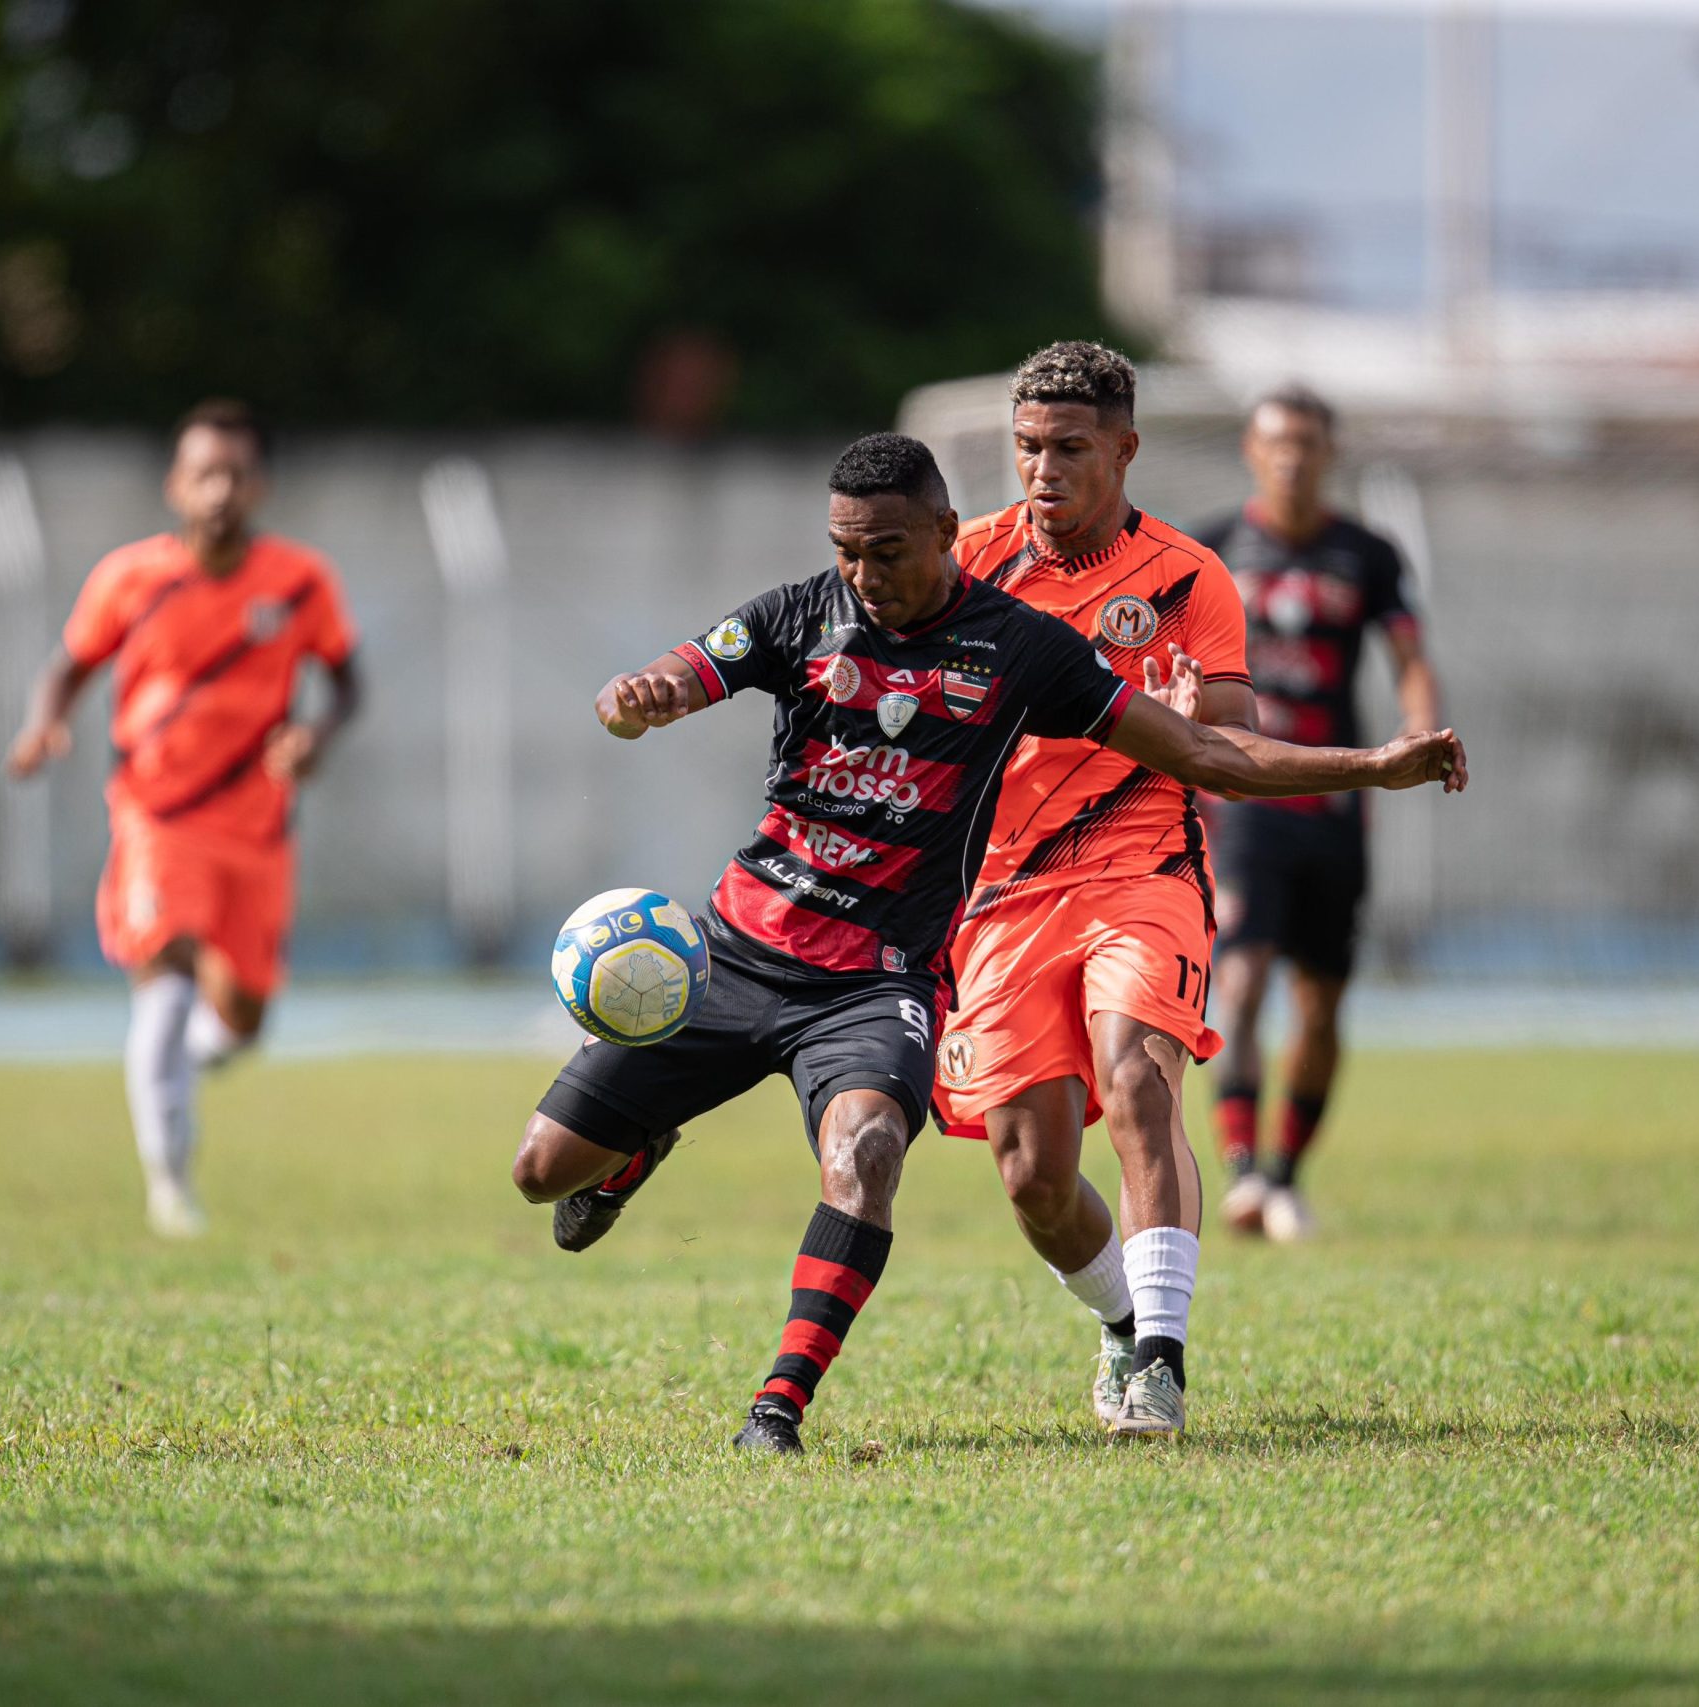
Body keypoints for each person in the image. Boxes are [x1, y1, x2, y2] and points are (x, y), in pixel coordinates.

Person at [510, 432, 1466, 1456]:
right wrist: (641, 695)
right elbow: (693, 665)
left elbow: (1195, 750)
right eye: (845, 550)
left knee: (870, 1155)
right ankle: (631, 1149)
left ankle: (775, 1410)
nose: (863, 574)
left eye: (885, 550)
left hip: (876, 986)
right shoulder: (801, 614)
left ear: (941, 535)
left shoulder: (1019, 647)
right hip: (739, 952)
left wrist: (1370, 764)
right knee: (538, 1172)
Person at [933, 341, 1261, 1437]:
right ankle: (1119, 1322)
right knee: (1031, 1172)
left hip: (1143, 864)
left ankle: (1161, 1360)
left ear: (1123, 449)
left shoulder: (1187, 576)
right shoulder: (963, 565)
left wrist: (1185, 715)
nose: (1042, 469)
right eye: (1026, 447)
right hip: (1001, 893)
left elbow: (1234, 733)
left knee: (1138, 1081)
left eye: (1069, 447)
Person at [6, 400, 361, 1238]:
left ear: (260, 485)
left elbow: (348, 680)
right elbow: (71, 665)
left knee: (242, 1017)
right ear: (175, 483)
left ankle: (188, 1063)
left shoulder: (300, 581)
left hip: (259, 828)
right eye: (204, 472)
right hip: (156, 817)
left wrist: (317, 732)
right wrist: (43, 721)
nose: (219, 490)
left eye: (236, 473)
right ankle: (171, 1184)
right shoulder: (130, 577)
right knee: (162, 972)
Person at [1190, 386, 1441, 1241]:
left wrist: (1420, 729)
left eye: (1307, 441)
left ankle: (1287, 1173)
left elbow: (1410, 658)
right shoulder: (1213, 547)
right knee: (1244, 976)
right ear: (1252, 452)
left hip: (1334, 803)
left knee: (1323, 1003)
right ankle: (1243, 1171)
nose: (1292, 455)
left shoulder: (1367, 553)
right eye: (1276, 441)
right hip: (1244, 800)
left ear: (1329, 453)